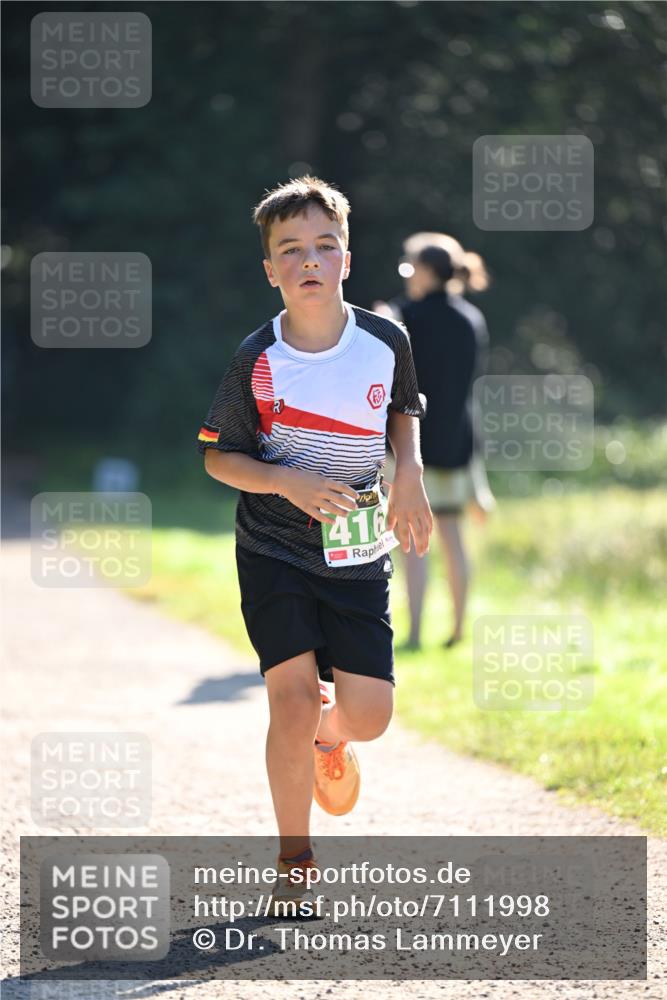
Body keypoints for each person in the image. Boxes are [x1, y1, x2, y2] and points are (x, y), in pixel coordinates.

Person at [196, 176, 432, 915]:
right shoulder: (256, 358)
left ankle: (334, 741)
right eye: (290, 250)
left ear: (346, 258)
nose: (308, 261)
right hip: (273, 547)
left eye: (323, 247)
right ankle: (293, 862)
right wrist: (285, 481)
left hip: (357, 551)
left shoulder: (384, 338)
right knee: (290, 703)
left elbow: (403, 409)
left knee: (368, 715)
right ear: (270, 268)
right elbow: (216, 456)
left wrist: (411, 476)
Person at [376, 232, 495, 650]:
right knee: (453, 538)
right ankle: (460, 629)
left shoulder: (401, 315)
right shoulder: (470, 318)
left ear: (426, 272)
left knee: (410, 543)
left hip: (410, 446)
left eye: (410, 267)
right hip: (457, 443)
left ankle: (413, 633)